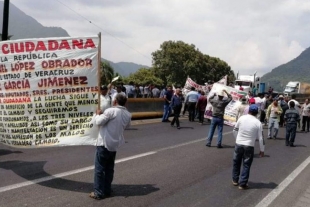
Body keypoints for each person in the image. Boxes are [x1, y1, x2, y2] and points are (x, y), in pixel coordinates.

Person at [90, 93, 132, 200]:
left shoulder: (110, 111)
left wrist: (98, 114)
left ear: (114, 102)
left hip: (104, 143)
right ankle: (107, 190)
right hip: (114, 144)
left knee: (99, 169)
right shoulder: (127, 114)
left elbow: (98, 122)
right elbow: (127, 126)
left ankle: (98, 192)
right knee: (109, 169)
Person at [232, 105, 265, 190]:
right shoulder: (258, 123)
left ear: (248, 111)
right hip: (249, 145)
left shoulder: (241, 118)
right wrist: (262, 150)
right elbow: (261, 138)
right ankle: (242, 184)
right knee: (246, 165)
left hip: (239, 143)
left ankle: (235, 180)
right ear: (257, 113)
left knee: (236, 162)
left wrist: (237, 139)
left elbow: (234, 130)